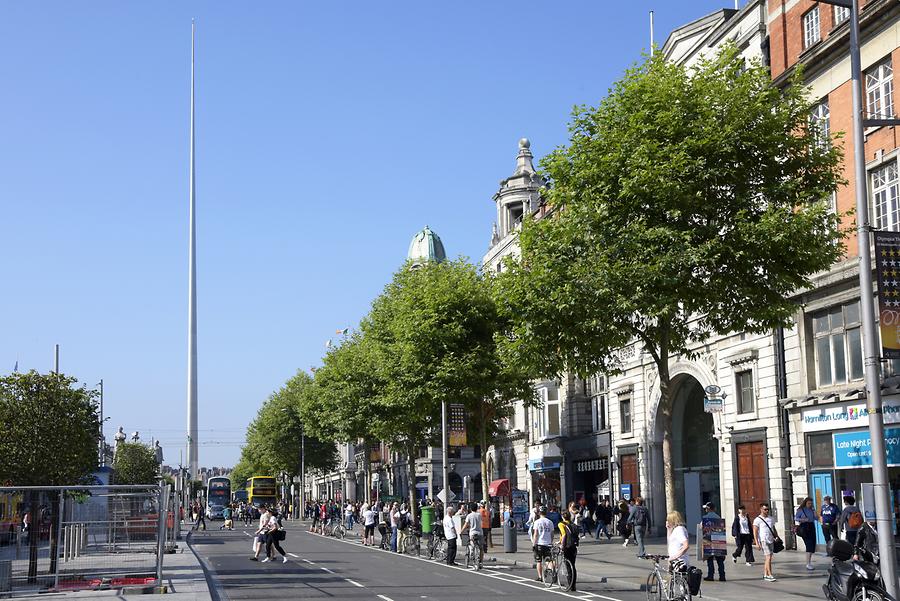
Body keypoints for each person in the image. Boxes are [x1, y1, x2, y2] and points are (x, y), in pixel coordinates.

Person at [753, 502, 779, 582]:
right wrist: (757, 543)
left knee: (768, 558)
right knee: (769, 557)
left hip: (771, 539)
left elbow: (773, 528)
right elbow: (755, 532)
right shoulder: (757, 520)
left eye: (768, 509)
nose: (767, 511)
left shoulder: (771, 518)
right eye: (765, 509)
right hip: (763, 540)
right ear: (761, 509)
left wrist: (776, 536)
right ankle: (770, 574)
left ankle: (765, 574)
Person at [701, 502, 725, 582]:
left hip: (708, 540)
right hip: (718, 540)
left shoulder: (705, 518)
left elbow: (701, 528)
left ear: (708, 509)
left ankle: (711, 575)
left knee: (710, 558)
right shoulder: (718, 517)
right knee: (720, 559)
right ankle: (722, 576)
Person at [531, 506, 555, 582]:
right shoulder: (550, 522)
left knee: (539, 561)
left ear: (539, 513)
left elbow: (535, 534)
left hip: (539, 543)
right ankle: (553, 571)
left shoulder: (537, 522)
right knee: (548, 560)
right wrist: (551, 542)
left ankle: (540, 577)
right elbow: (552, 534)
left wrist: (534, 544)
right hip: (548, 544)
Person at [794, 497, 818, 570]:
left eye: (811, 503)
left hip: (811, 526)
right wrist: (803, 519)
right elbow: (796, 518)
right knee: (809, 545)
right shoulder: (801, 510)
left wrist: (814, 511)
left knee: (812, 545)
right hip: (804, 527)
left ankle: (809, 562)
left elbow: (816, 518)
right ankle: (808, 563)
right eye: (808, 503)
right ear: (805, 503)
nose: (810, 505)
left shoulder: (811, 510)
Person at [559, 510, 579, 591]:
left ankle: (570, 584)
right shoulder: (573, 524)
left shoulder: (561, 524)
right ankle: (573, 585)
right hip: (573, 546)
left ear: (562, 516)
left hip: (566, 547)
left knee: (568, 566)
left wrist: (562, 545)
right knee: (573, 566)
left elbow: (564, 535)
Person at [461, 502, 484, 570]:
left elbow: (466, 524)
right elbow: (480, 522)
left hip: (472, 533)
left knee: (472, 547)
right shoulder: (479, 515)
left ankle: (473, 559)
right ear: (477, 508)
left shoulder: (469, 515)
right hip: (480, 533)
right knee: (481, 548)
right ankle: (480, 562)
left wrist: (461, 531)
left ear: (470, 509)